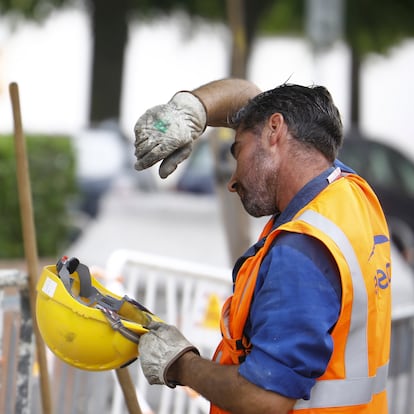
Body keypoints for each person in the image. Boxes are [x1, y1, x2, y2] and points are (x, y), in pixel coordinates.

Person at [133, 79, 392, 413]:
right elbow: (250, 98)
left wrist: (179, 364)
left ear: (274, 131)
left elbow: (263, 400)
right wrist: (190, 110)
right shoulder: (347, 193)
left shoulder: (302, 250)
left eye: (237, 150)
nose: (232, 181)